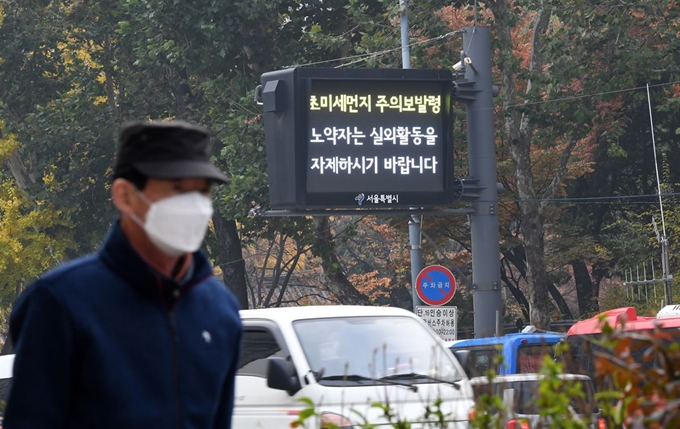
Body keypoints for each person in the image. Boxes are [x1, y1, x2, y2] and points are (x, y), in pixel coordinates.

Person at [4, 120, 243, 428]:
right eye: (177, 189)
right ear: (125, 196)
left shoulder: (220, 308)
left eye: (202, 192)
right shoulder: (60, 302)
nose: (194, 206)